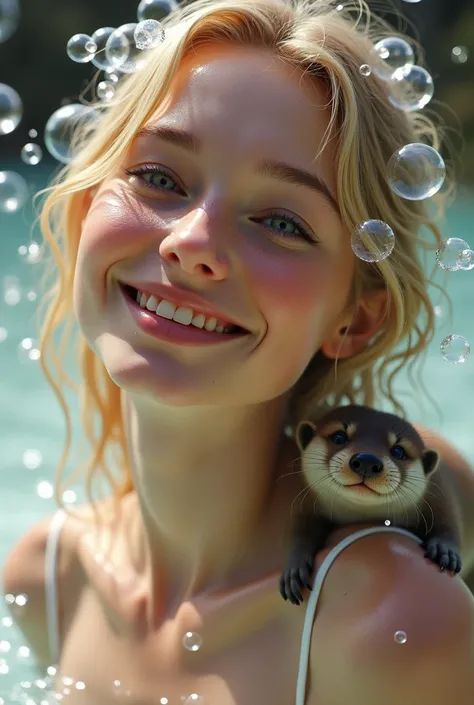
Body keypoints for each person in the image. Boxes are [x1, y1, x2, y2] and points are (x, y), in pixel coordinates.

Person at [3, 0, 474, 703]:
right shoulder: (44, 580)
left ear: (356, 320)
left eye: (281, 220)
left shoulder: (388, 625)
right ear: (81, 217)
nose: (191, 243)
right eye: (160, 177)